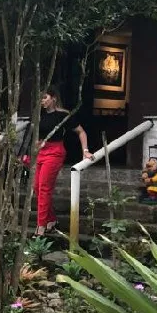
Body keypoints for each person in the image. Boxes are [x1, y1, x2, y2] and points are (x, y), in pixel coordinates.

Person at [35, 87, 93, 236]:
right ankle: (51, 219)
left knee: (44, 188)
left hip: (55, 152)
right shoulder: (40, 114)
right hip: (41, 152)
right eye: (41, 98)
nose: (42, 101)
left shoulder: (63, 115)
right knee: (37, 187)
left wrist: (85, 151)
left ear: (53, 98)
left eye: (45, 97)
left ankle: (41, 227)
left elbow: (81, 132)